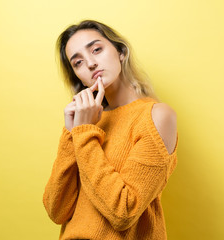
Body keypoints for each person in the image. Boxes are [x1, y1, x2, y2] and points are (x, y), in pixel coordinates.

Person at [43, 20, 178, 240]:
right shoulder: (86, 123)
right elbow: (56, 210)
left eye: (96, 50)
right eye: (77, 63)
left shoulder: (157, 116)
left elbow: (124, 212)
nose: (90, 63)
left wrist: (84, 132)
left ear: (121, 51)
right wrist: (71, 134)